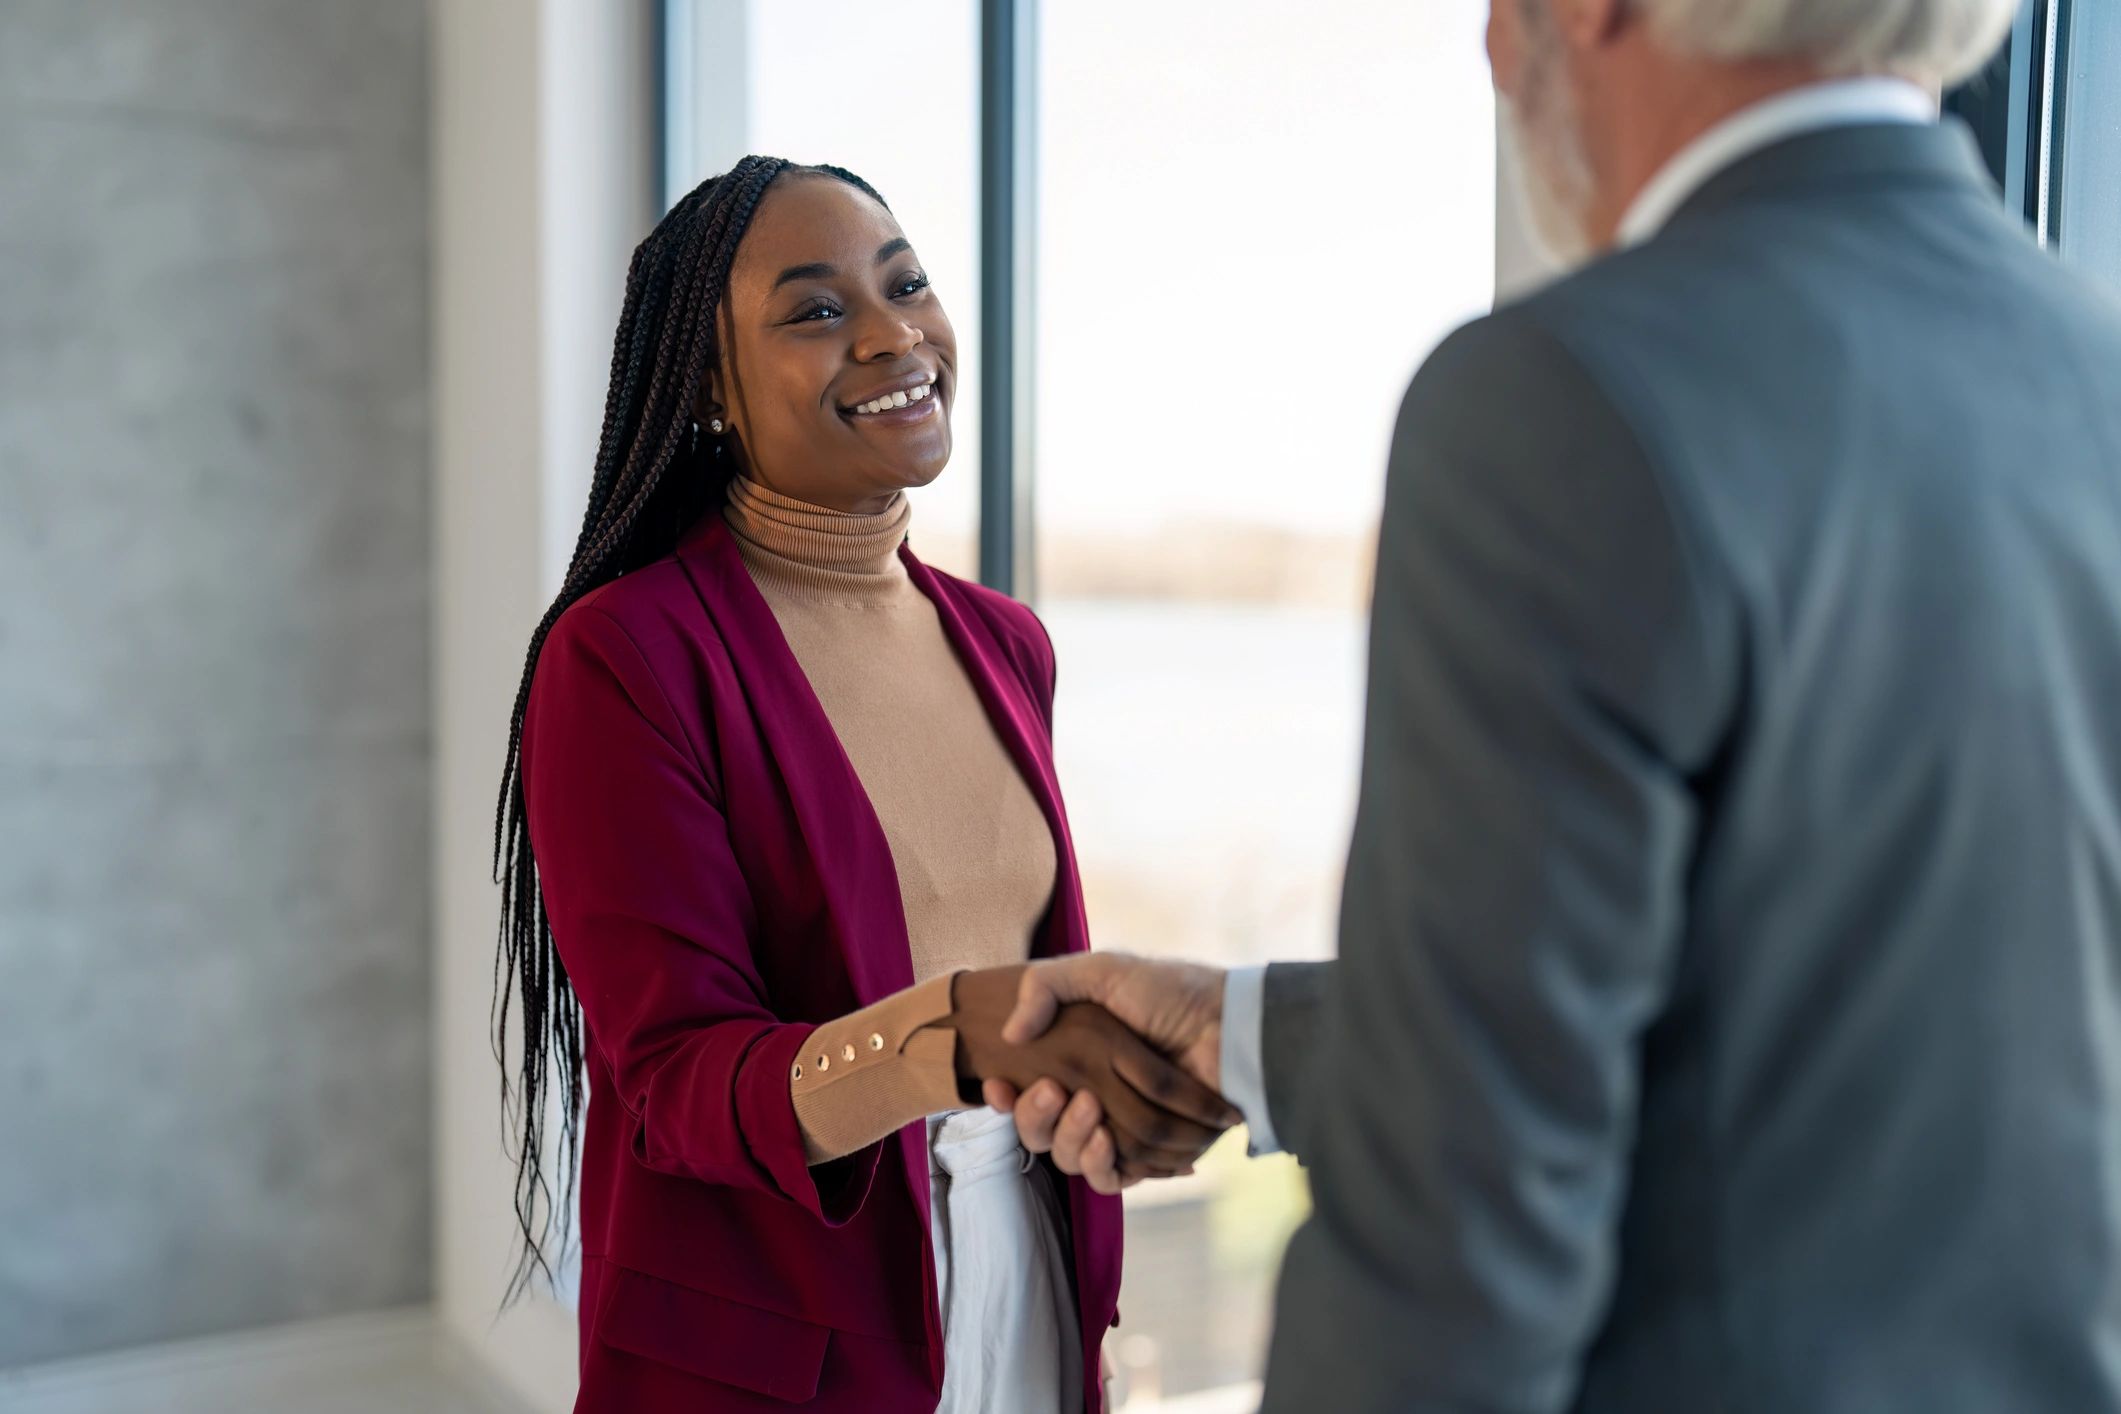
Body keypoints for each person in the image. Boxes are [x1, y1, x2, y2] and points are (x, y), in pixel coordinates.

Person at [992, 0, 2121, 1408]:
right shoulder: (2089, 369)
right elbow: (1871, 1025)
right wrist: (1249, 1029)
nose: (1484, 44)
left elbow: (1451, 1255)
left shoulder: (1557, 399)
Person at [489, 156, 1233, 1414]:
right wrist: (954, 1035)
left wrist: (1095, 1063)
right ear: (713, 385)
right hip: (792, 1335)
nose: (896, 334)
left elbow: (1005, 951)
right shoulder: (623, 657)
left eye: (908, 284)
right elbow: (679, 1084)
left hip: (1029, 1266)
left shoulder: (1004, 642)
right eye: (816, 309)